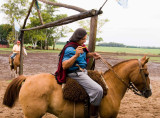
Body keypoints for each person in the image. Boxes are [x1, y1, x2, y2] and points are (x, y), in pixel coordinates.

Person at [55, 28, 103, 118]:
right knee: (98, 90)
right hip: (76, 73)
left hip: (83, 71)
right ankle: (93, 116)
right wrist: (76, 55)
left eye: (85, 39)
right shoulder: (70, 48)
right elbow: (64, 65)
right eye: (83, 39)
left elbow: (84, 54)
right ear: (77, 38)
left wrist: (92, 54)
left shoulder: (80, 46)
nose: (84, 41)